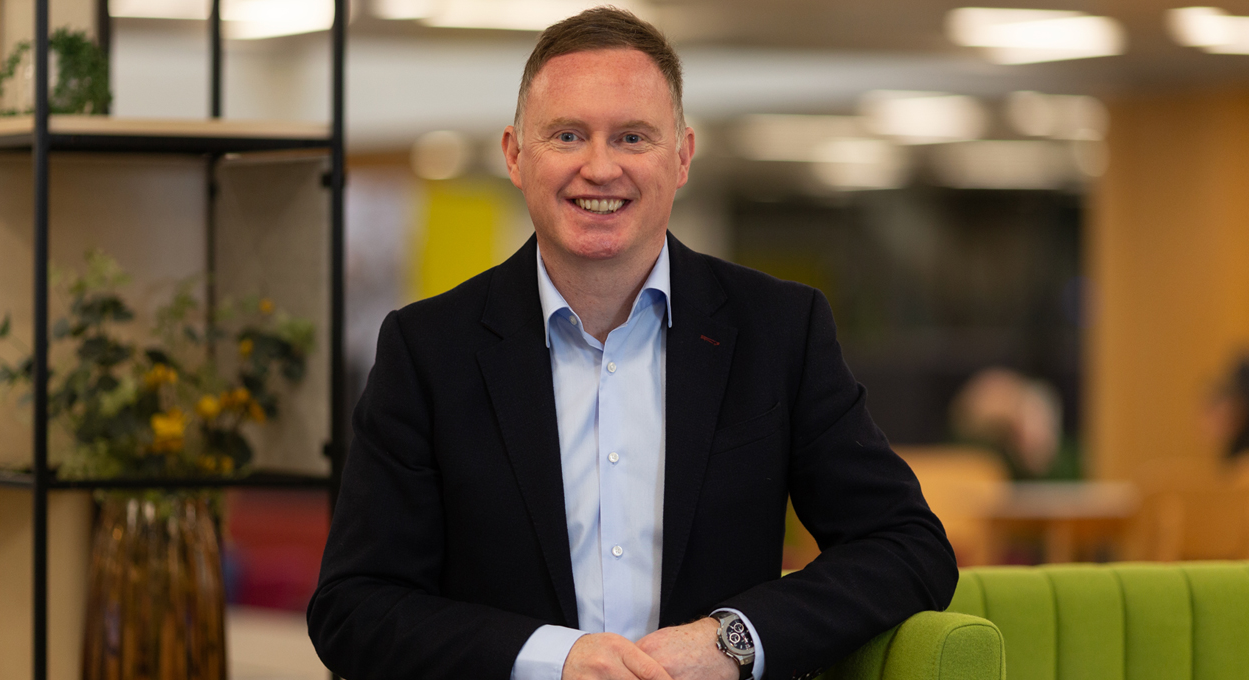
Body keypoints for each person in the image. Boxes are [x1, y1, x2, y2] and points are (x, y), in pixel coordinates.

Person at [307, 8, 956, 680]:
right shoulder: (426, 351)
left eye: (632, 137)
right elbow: (354, 608)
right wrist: (553, 660)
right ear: (514, 155)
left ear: (681, 158)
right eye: (566, 135)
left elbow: (907, 546)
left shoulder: (779, 331)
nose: (599, 167)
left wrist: (732, 641)